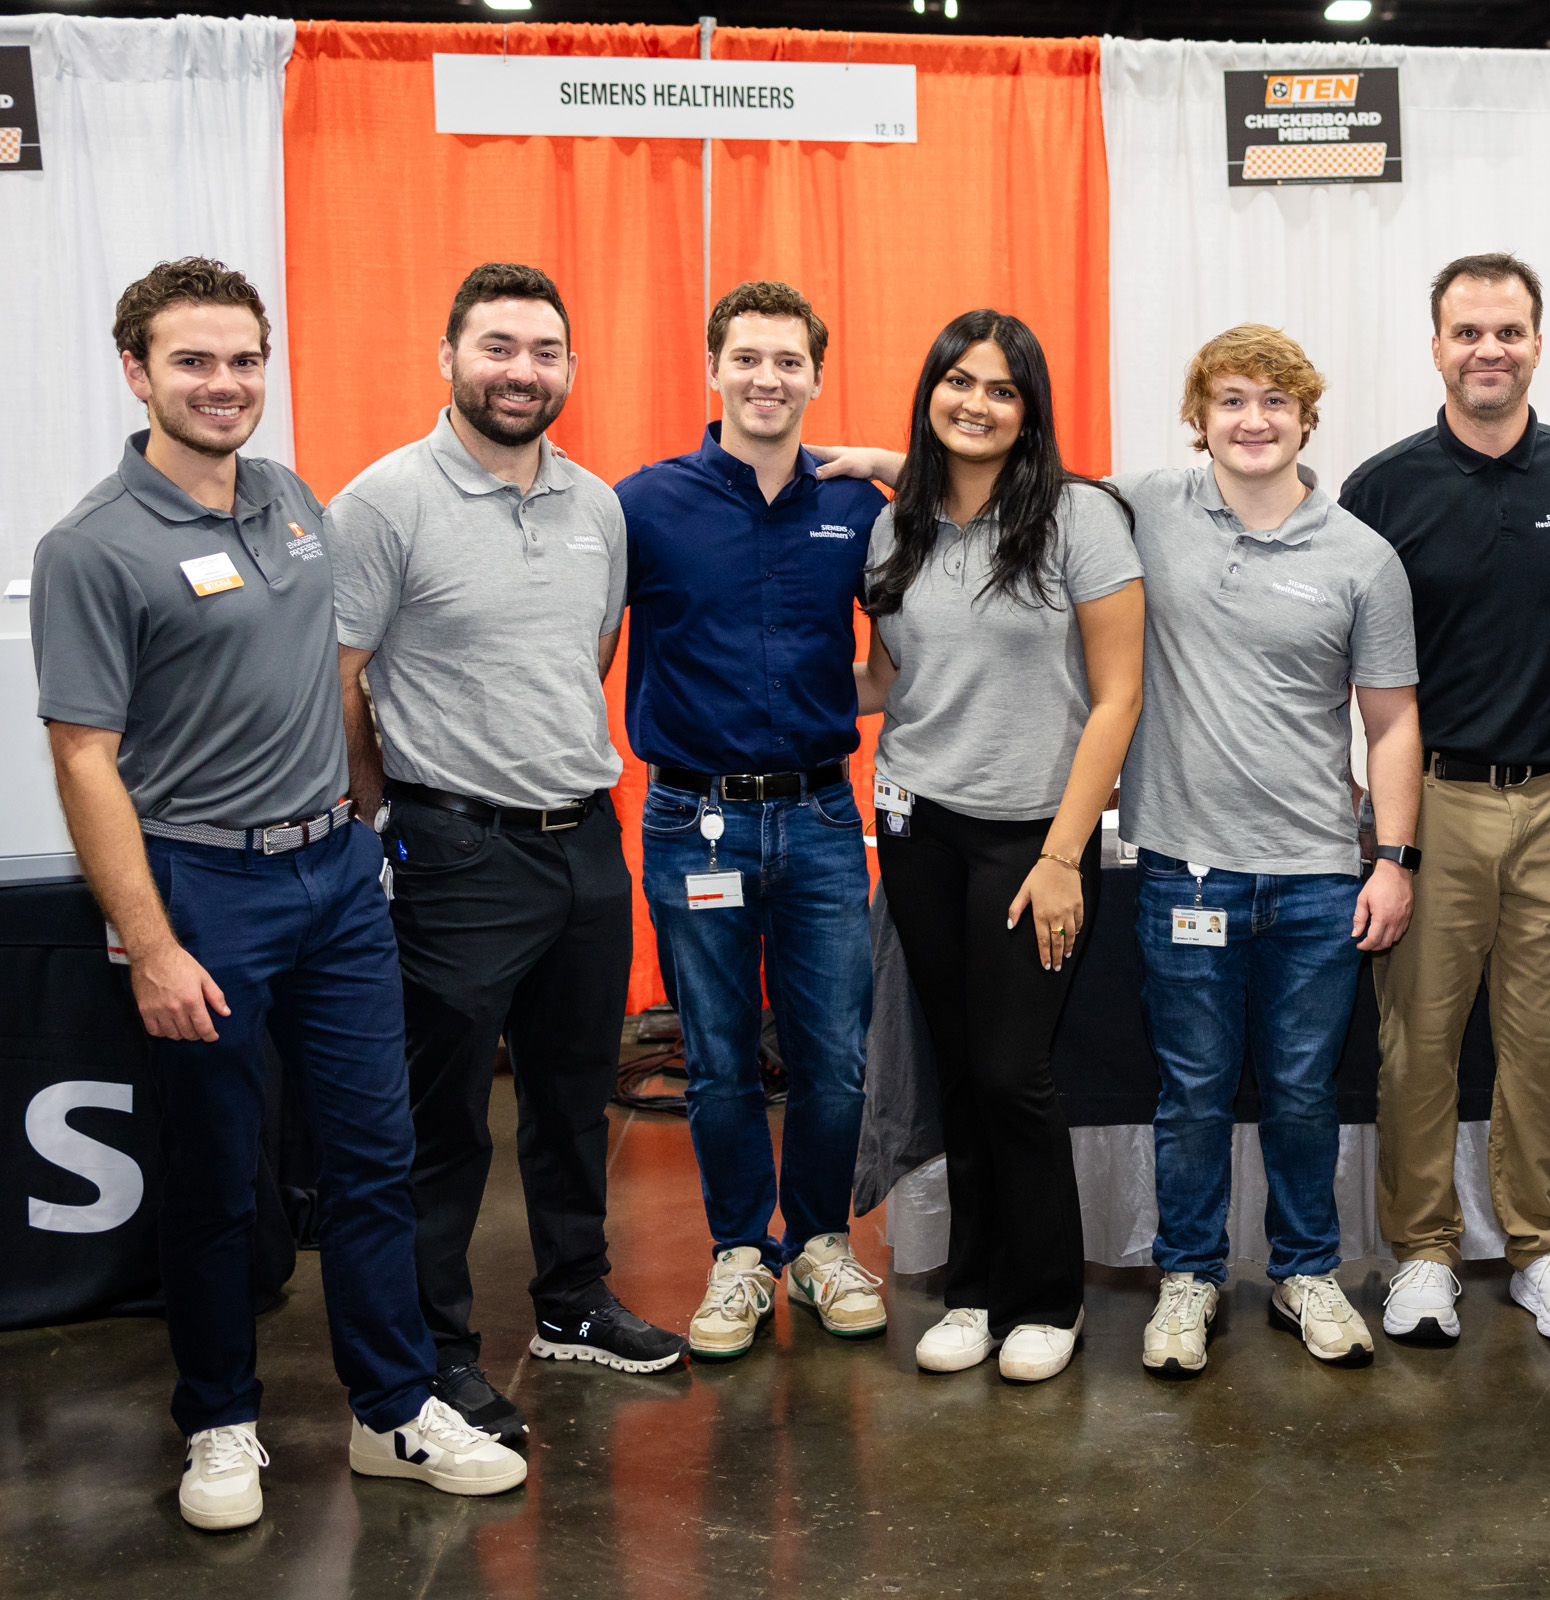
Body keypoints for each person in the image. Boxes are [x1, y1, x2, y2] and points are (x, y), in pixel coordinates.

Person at [31, 258, 524, 1530]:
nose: (225, 383)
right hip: (202, 888)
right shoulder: (93, 544)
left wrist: (358, 832)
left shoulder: (294, 500)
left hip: (336, 877)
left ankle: (393, 1408)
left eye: (244, 359)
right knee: (219, 1175)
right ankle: (220, 1421)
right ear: (136, 372)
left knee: (374, 1156)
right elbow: (84, 753)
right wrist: (148, 942)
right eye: (193, 361)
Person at [329, 262, 685, 1446]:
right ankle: (431, 1356)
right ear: (448, 358)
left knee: (573, 1101)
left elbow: (582, 655)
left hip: (583, 841)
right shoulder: (383, 502)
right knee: (443, 1123)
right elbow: (339, 680)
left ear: (570, 370)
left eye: (543, 351)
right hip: (453, 847)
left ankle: (572, 1302)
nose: (520, 371)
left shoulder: (597, 506)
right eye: (497, 347)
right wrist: (397, 813)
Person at [1113, 325, 1422, 1374]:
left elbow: (1391, 723)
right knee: (1192, 1088)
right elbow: (1022, 488)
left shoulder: (1360, 556)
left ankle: (1306, 1272)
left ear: (1305, 419)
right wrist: (894, 466)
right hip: (1184, 868)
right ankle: (1188, 1277)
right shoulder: (1148, 507)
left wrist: (1395, 858)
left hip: (1316, 875)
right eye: (1232, 400)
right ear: (1198, 418)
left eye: (1275, 403)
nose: (1254, 420)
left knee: (1300, 1089)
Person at [1339, 252, 1550, 1350]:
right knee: (1418, 1045)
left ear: (1538, 343)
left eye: (1508, 331)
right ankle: (1421, 1255)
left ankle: (1542, 1245)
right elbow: (1357, 668)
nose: (1488, 350)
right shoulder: (1384, 488)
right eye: (1468, 332)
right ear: (1437, 347)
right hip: (1435, 806)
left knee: (1546, 1040)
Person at [852, 310, 1144, 1384]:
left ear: (1031, 411)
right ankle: (971, 1291)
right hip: (917, 827)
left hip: (1035, 841)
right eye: (957, 382)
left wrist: (1066, 855)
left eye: (1001, 388)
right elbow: (893, 682)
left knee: (1014, 1071)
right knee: (960, 1068)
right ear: (930, 391)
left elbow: (1117, 698)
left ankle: (1046, 1297)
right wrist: (764, 701)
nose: (975, 402)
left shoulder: (1080, 519)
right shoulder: (898, 527)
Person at [614, 282, 889, 1362]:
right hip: (692, 819)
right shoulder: (645, 503)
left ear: (818, 376)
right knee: (721, 1057)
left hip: (822, 812)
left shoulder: (855, 504)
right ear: (713, 367)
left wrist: (839, 700)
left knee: (837, 1056)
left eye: (789, 361)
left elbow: (995, 497)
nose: (768, 379)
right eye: (749, 358)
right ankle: (741, 1250)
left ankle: (820, 1241)